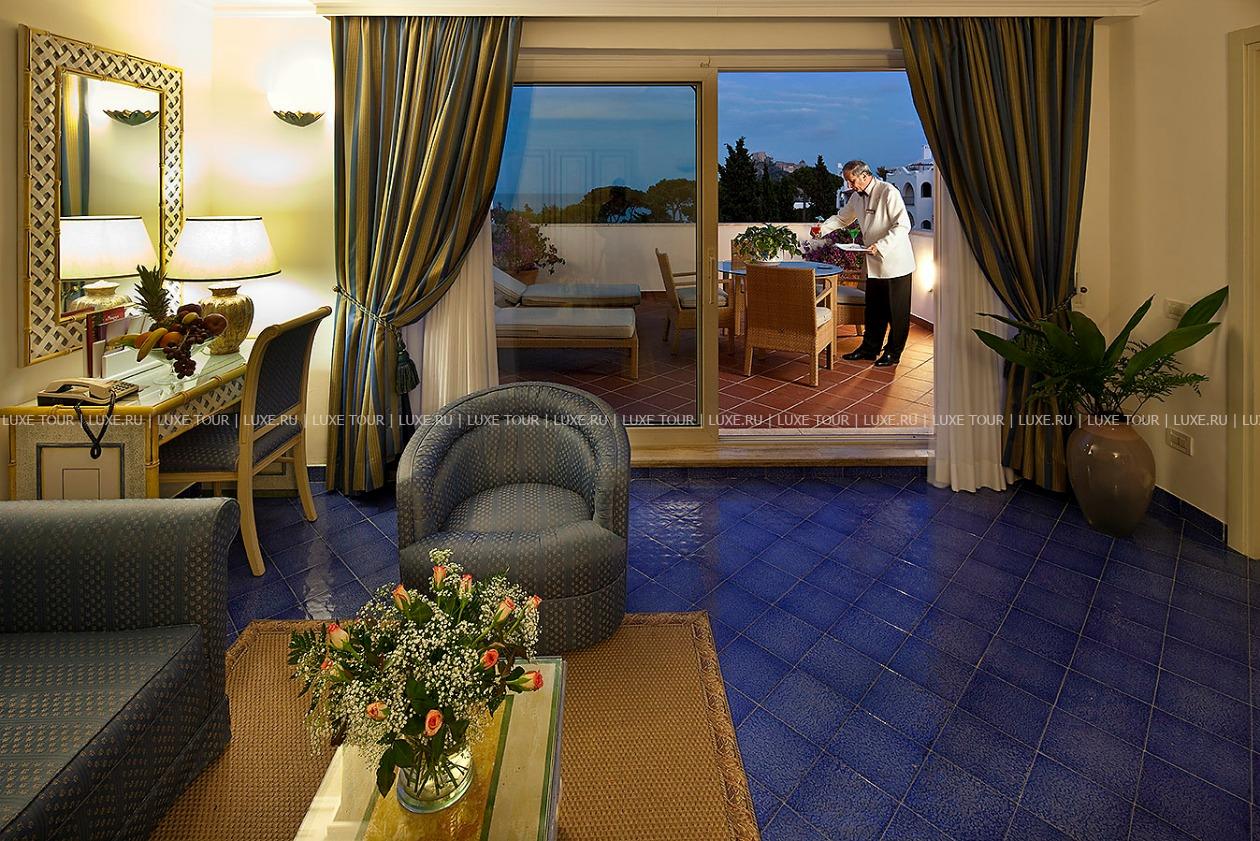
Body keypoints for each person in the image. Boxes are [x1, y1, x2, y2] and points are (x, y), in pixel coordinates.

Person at [812, 160, 916, 366]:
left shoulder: (888, 192)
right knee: (874, 310)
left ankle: (893, 353)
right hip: (873, 261)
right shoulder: (856, 197)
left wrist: (881, 245)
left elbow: (903, 225)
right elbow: (842, 219)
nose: (849, 185)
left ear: (865, 175)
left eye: (852, 181)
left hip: (895, 262)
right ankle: (869, 349)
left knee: (896, 312)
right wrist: (821, 229)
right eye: (847, 181)